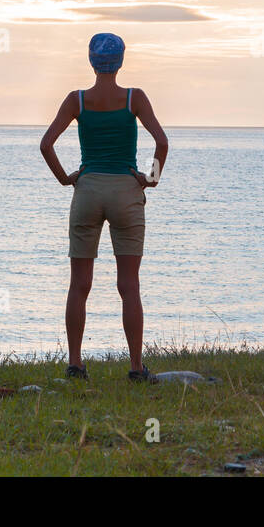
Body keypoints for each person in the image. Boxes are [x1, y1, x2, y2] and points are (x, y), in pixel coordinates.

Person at [39, 33, 168, 381]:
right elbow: (161, 142)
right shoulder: (133, 99)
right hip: (126, 191)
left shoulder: (77, 100)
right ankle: (136, 368)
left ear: (91, 61)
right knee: (129, 285)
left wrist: (67, 179)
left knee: (79, 284)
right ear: (120, 61)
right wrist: (150, 179)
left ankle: (76, 363)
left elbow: (46, 145)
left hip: (88, 191)